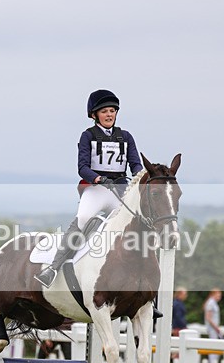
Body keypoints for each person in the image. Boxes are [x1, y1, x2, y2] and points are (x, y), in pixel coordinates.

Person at [35, 89, 143, 288]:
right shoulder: (88, 136)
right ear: (94, 115)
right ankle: (53, 268)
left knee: (135, 225)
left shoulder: (126, 137)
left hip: (119, 190)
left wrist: (139, 177)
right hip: (97, 189)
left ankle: (141, 282)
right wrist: (98, 178)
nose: (109, 115)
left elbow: (135, 163)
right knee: (83, 219)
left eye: (112, 111)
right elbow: (82, 167)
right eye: (104, 111)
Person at [203, 288, 222, 363]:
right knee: (213, 345)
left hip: (214, 328)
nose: (219, 296)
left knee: (215, 344)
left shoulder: (213, 302)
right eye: (218, 295)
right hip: (212, 328)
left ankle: (213, 362)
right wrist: (216, 327)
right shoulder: (211, 303)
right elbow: (208, 318)